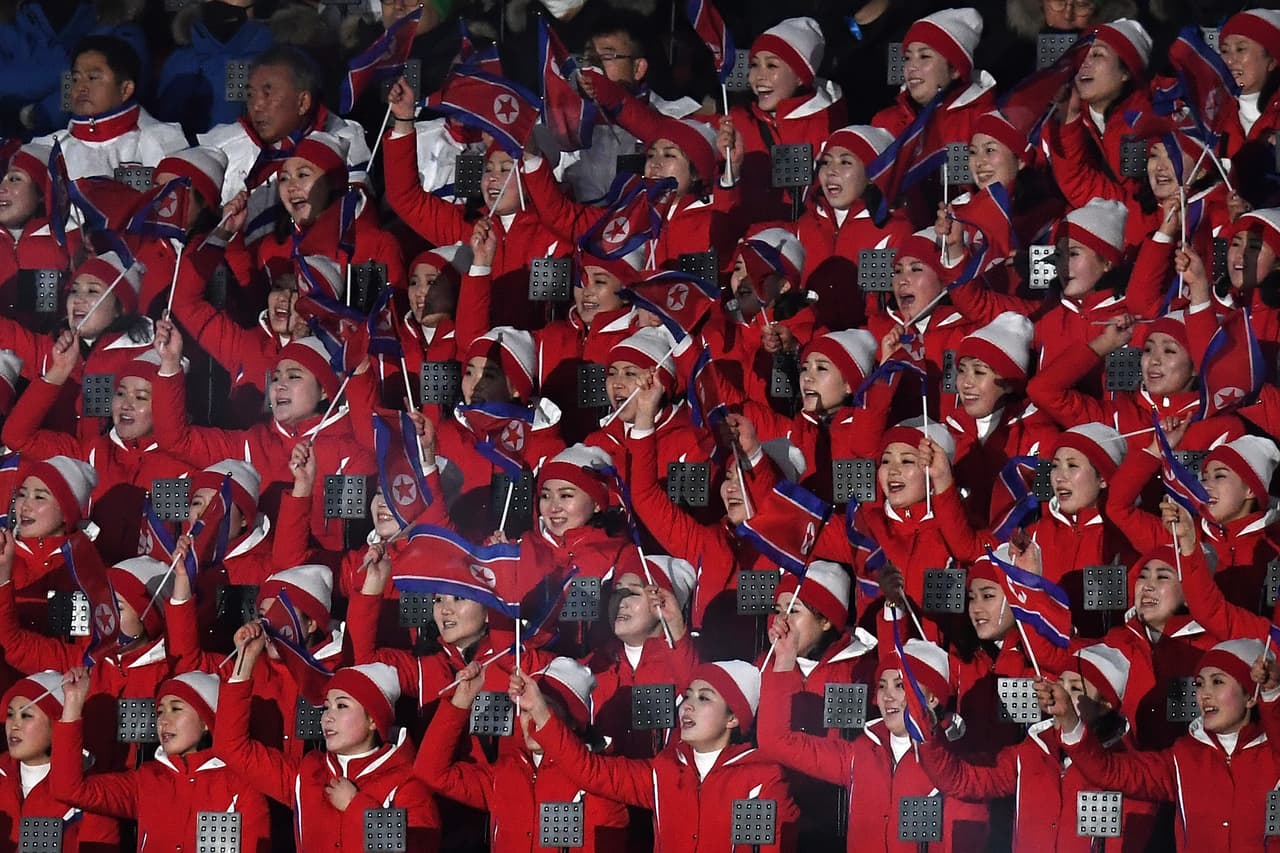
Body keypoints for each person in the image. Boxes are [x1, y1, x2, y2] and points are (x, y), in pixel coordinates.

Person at [509, 659, 802, 852]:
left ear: (733, 719)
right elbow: (590, 770)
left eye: (704, 698)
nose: (687, 706)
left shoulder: (759, 780)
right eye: (687, 695)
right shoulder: (663, 771)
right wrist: (541, 713)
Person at [217, 625, 442, 851]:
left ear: (374, 720)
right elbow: (232, 747)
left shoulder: (407, 783)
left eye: (341, 706)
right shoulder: (308, 773)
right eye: (326, 707)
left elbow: (420, 846)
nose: (327, 717)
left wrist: (357, 807)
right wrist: (246, 661)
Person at [52, 667, 273, 852]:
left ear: (207, 722)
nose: (164, 721)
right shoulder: (147, 779)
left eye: (176, 709)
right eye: (159, 712)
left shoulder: (241, 786)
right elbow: (68, 789)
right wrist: (72, 704)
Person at [32, 35, 185, 179]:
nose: (81, 87)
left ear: (125, 89)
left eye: (93, 78)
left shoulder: (161, 142)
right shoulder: (48, 149)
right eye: (75, 78)